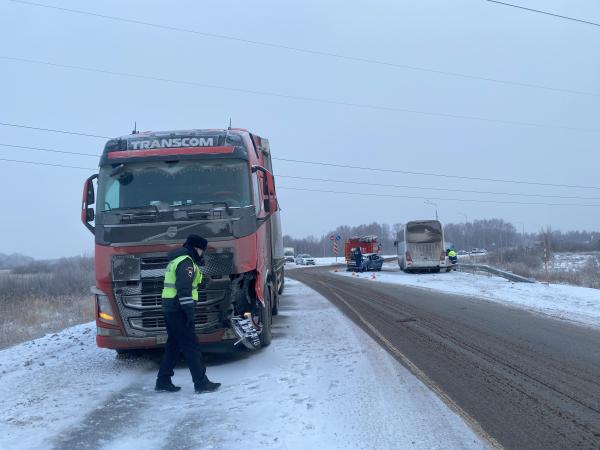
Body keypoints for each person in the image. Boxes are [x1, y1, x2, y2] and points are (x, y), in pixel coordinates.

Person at [155, 234, 221, 393]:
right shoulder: (186, 263)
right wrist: (189, 312)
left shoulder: (177, 259)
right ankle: (201, 382)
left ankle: (163, 380)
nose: (202, 254)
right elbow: (184, 289)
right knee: (191, 346)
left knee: (174, 345)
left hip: (171, 308)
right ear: (195, 248)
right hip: (179, 310)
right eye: (201, 250)